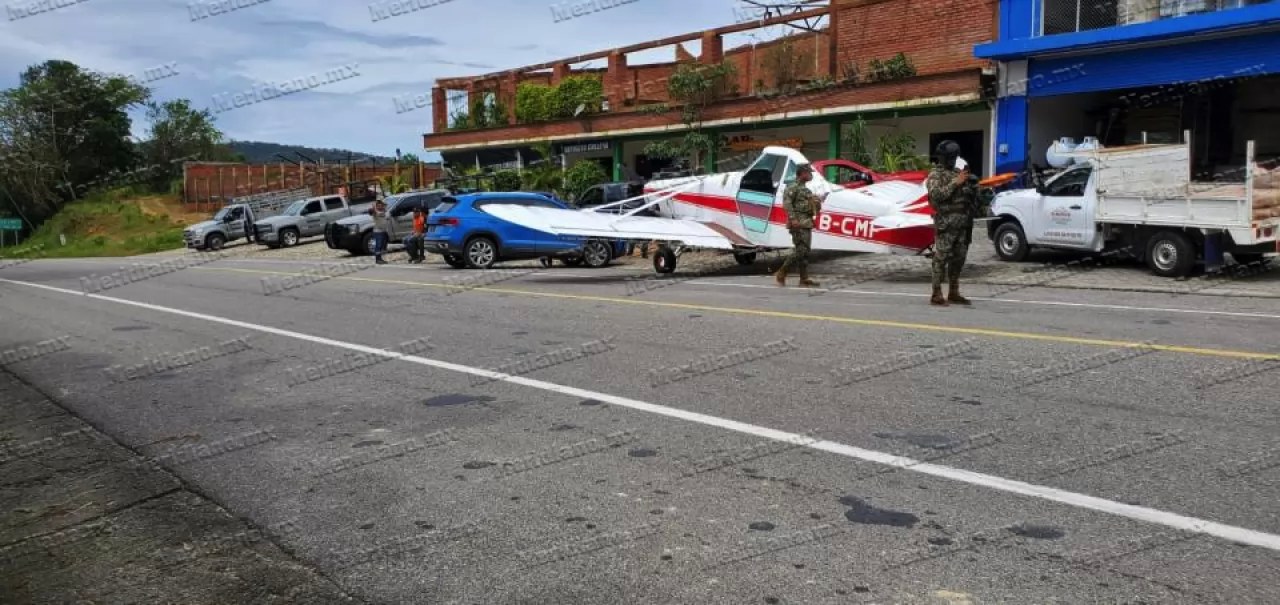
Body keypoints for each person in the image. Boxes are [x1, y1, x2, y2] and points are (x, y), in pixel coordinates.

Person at [924, 140, 983, 306]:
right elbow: (936, 195)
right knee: (941, 259)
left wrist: (973, 187)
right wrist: (956, 183)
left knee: (959, 258)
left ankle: (953, 291)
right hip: (946, 224)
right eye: (949, 157)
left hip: (963, 225)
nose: (951, 160)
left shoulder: (958, 173)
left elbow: (972, 200)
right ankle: (936, 293)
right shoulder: (936, 175)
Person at [774, 163, 825, 287]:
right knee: (800, 250)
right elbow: (787, 204)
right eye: (808, 173)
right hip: (798, 222)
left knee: (805, 251)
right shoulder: (793, 187)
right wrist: (793, 219)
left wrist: (816, 203)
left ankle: (804, 278)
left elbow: (811, 206)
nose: (810, 175)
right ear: (802, 173)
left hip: (806, 222)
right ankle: (782, 272)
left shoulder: (806, 189)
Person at [369, 197, 388, 265]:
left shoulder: (384, 211)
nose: (380, 206)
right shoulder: (375, 212)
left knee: (382, 245)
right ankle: (378, 259)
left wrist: (380, 201)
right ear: (376, 206)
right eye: (378, 205)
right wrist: (374, 205)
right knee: (378, 245)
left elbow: (386, 205)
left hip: (383, 231)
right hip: (377, 231)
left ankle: (380, 258)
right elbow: (372, 211)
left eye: (381, 205)